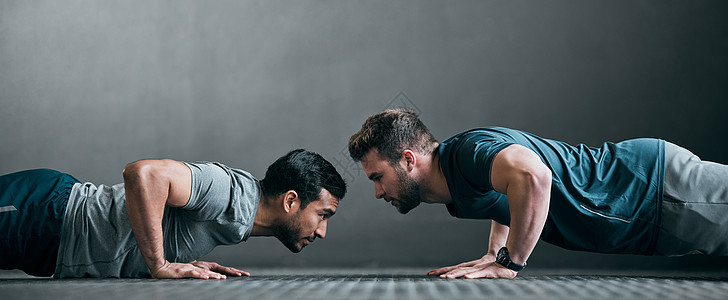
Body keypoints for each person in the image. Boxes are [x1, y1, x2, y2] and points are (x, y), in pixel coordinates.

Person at [348, 109, 728, 279]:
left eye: (377, 177)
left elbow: (533, 177)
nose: (378, 193)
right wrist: (493, 253)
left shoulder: (468, 152)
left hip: (653, 189)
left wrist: (510, 263)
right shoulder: (457, 174)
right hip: (650, 222)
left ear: (409, 159)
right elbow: (505, 196)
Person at [0, 149, 346, 279]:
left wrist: (180, 257)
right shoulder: (229, 191)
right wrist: (159, 264)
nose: (322, 231)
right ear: (290, 201)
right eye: (323, 214)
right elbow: (144, 174)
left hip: (50, 244)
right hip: (43, 213)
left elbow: (167, 220)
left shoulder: (241, 216)